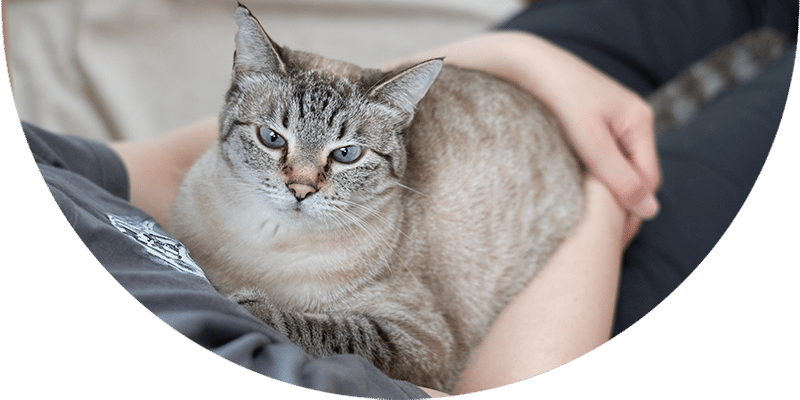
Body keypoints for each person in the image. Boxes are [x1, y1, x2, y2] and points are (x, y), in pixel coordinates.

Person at [16, 0, 797, 398]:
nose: (302, 182)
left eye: (336, 162)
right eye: (279, 149)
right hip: (558, 295)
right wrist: (601, 198)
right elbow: (435, 354)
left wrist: (510, 56)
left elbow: (148, 164)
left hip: (475, 103)